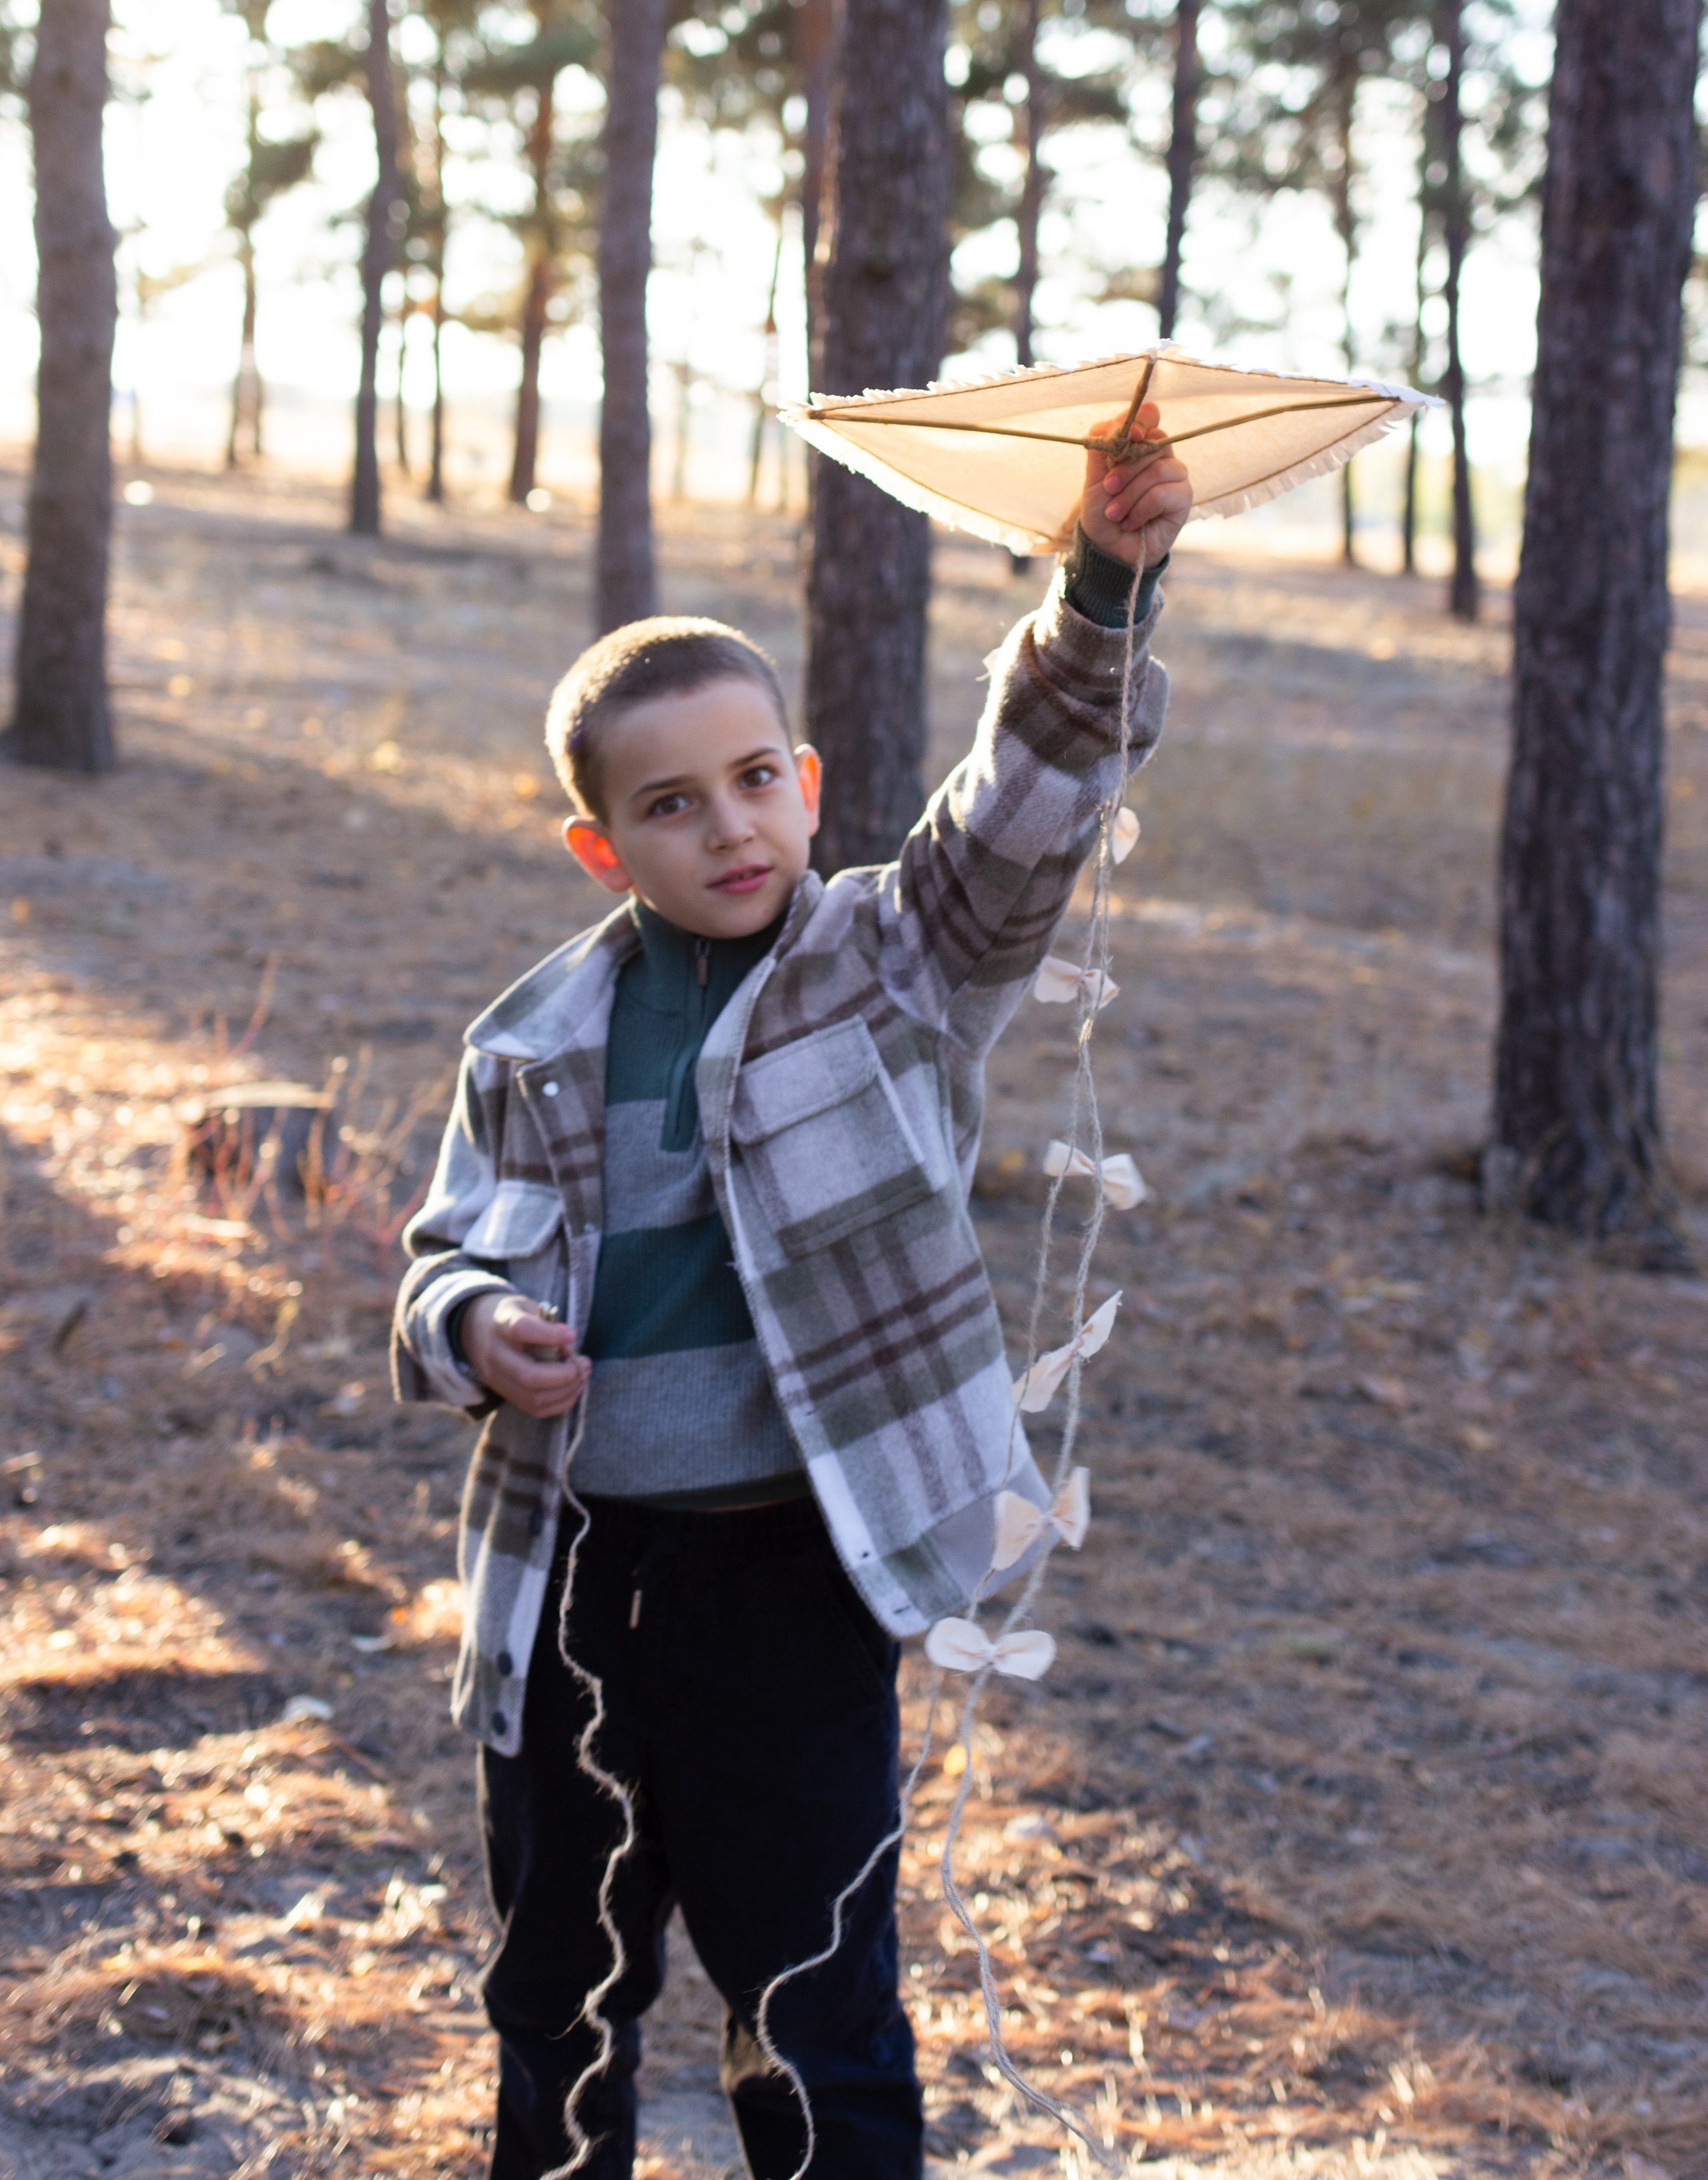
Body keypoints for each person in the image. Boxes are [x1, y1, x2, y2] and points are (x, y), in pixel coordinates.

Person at [393, 413, 1191, 2180]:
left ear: (810, 785)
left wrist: (1104, 586)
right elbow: (440, 1261)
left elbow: (1022, 809)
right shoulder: (528, 1044)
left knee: (814, 2006)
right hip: (576, 1584)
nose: (727, 827)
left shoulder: (892, 965)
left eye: (756, 779)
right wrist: (469, 1330)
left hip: (796, 1582)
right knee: (556, 1996)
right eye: (669, 805)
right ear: (601, 846)